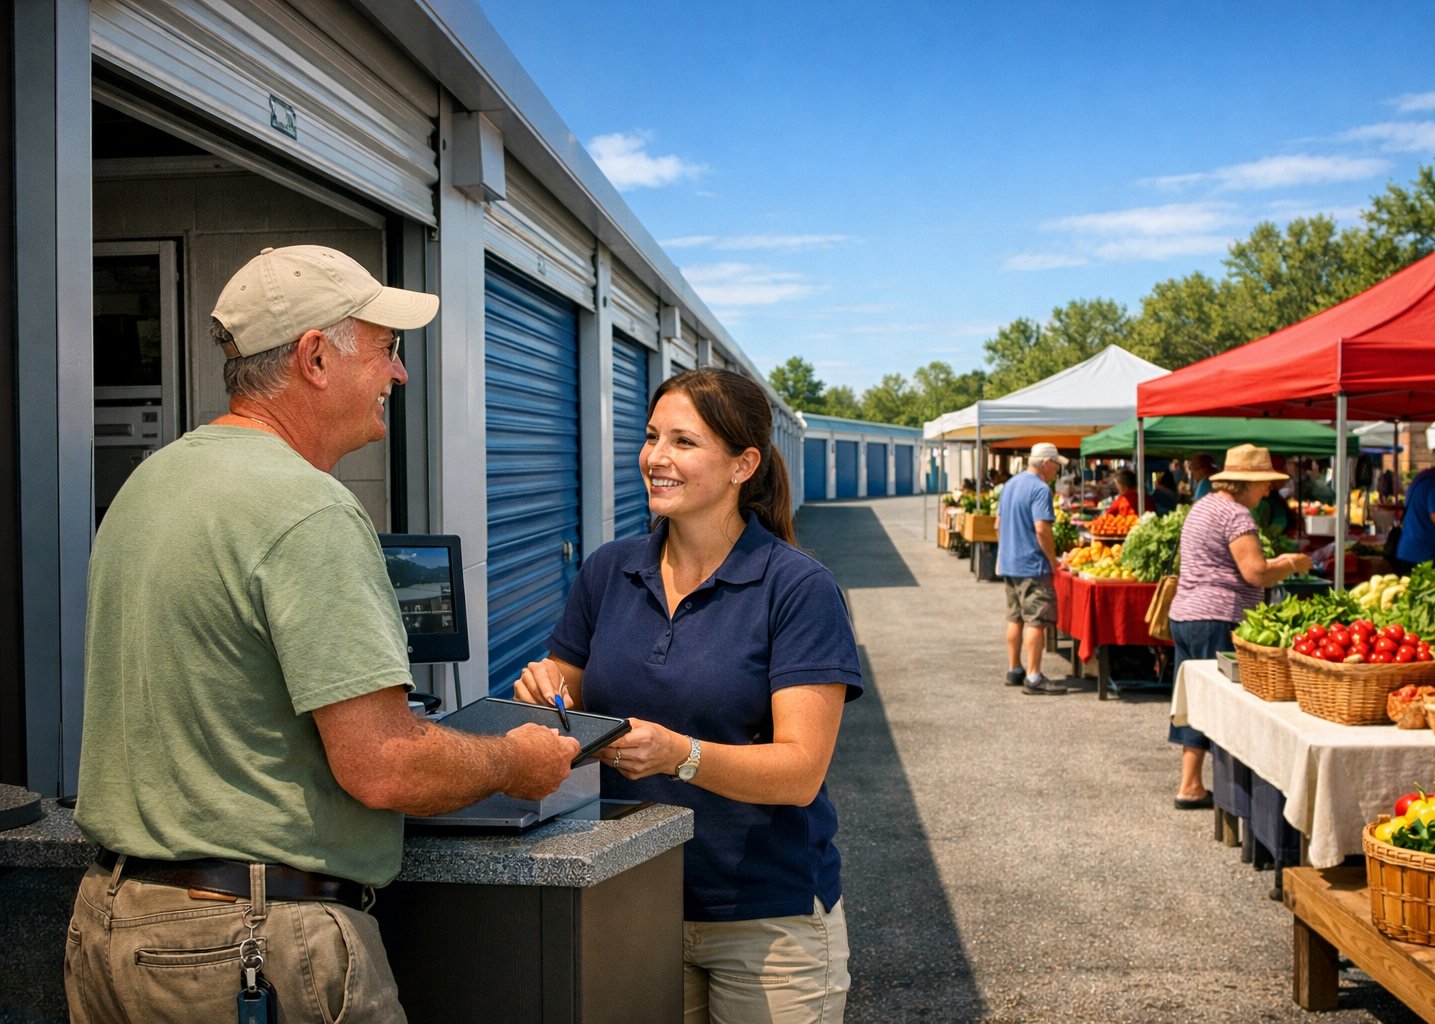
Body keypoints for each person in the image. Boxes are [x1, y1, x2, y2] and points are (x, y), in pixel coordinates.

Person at [65, 245, 580, 1024]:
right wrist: (517, 758)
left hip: (111, 929)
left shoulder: (152, 481)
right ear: (313, 357)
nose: (399, 375)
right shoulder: (309, 510)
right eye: (387, 350)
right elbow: (385, 766)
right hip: (245, 947)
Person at [515, 367, 862, 1024]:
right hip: (628, 895)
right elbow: (566, 700)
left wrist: (682, 755)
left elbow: (800, 771)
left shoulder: (796, 588)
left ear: (743, 464)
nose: (655, 458)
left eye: (683, 441)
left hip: (765, 919)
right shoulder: (608, 572)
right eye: (651, 437)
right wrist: (543, 695)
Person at [1166, 445, 1313, 809]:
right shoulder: (1237, 515)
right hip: (1217, 616)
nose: (1268, 491)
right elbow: (1256, 572)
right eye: (1265, 484)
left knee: (1195, 700)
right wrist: (1293, 563)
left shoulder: (1203, 507)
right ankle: (1231, 794)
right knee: (1223, 706)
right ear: (1248, 483)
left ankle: (1191, 784)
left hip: (1185, 614)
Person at [996, 442, 1071, 695]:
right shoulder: (1040, 489)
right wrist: (1052, 559)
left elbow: (998, 524)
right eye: (1056, 466)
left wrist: (1009, 549)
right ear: (1046, 463)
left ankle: (1014, 669)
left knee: (1015, 618)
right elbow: (1042, 528)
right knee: (1036, 621)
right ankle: (1034, 676)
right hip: (1032, 565)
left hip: (1010, 563)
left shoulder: (1010, 485)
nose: (1056, 472)